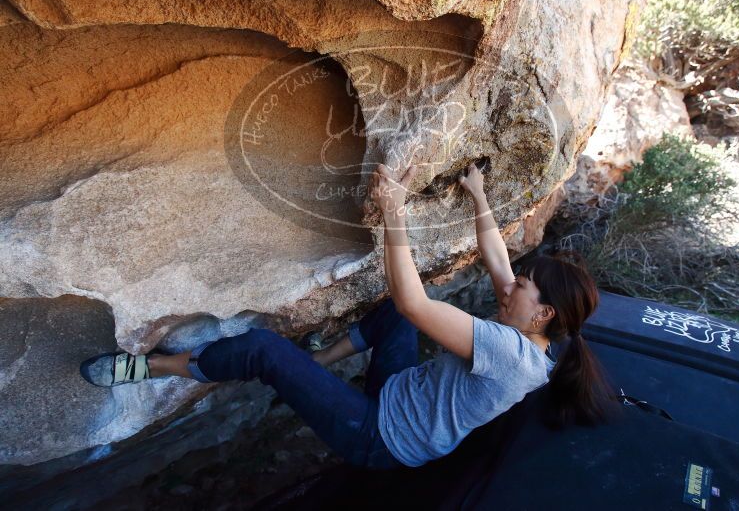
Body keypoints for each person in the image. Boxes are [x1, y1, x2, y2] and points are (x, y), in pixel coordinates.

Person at [80, 161, 615, 469]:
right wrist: (477, 194)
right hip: (399, 391)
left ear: (541, 312)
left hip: (380, 436)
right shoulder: (532, 323)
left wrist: (393, 213)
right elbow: (498, 259)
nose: (510, 285)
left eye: (521, 286)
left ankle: (154, 367)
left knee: (267, 350)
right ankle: (322, 359)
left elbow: (413, 300)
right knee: (396, 324)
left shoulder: (511, 354)